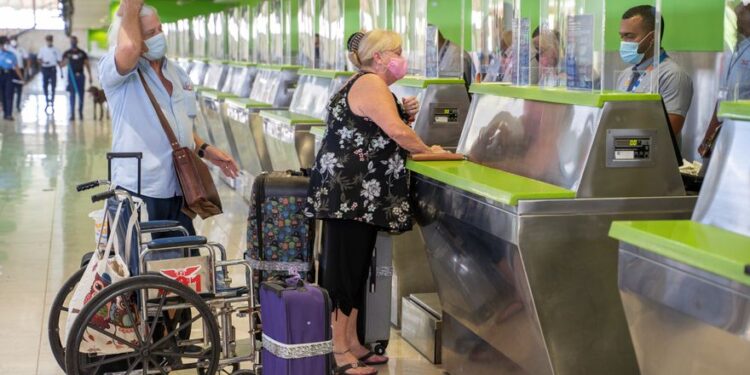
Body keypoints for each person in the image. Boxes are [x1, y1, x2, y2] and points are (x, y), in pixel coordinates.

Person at [306, 30, 446, 375]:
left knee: (355, 269)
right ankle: (339, 350)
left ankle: (352, 341)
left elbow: (379, 127)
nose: (402, 57)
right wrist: (430, 152)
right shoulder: (371, 83)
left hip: (358, 196)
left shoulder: (368, 84)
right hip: (351, 194)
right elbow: (396, 133)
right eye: (397, 51)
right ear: (379, 57)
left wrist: (403, 112)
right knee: (343, 271)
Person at [101, 0, 238, 240]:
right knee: (144, 267)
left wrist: (204, 148)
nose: (159, 36)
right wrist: (129, 8)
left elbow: (179, 123)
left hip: (179, 185)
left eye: (159, 29)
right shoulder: (118, 72)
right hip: (140, 186)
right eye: (150, 33)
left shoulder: (175, 71)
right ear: (134, 34)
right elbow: (129, 49)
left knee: (182, 261)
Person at [616, 5, 693, 138]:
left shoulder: (672, 75)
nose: (624, 42)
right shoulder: (625, 75)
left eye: (630, 36)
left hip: (655, 157)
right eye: (622, 36)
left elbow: (668, 133)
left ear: (652, 38)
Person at [699, 1, 750, 157]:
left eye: (744, 7)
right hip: (728, 135)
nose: (737, 10)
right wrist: (708, 138)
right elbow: (724, 96)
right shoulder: (736, 47)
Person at [62, 35, 92, 121]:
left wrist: (90, 76)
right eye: (71, 41)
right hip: (71, 77)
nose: (73, 43)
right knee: (72, 95)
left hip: (81, 76)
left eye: (74, 41)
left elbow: (87, 64)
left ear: (77, 41)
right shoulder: (67, 53)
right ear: (70, 42)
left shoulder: (82, 53)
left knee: (81, 94)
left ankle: (80, 112)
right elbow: (61, 65)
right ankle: (72, 114)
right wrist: (65, 62)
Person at [0, 36, 25, 121]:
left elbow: (16, 67)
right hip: (0, 75)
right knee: (2, 96)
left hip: (9, 75)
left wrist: (21, 78)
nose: (5, 46)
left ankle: (9, 114)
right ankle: (5, 112)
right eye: (4, 44)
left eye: (6, 44)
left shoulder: (11, 55)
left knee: (9, 94)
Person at [38, 35, 63, 110]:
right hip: (45, 68)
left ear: (52, 40)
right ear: (46, 40)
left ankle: (52, 101)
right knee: (45, 85)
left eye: (50, 40)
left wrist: (61, 71)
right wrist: (43, 62)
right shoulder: (42, 49)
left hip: (52, 69)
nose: (49, 41)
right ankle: (46, 100)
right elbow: (39, 59)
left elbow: (59, 61)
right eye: (48, 40)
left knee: (53, 86)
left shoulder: (56, 50)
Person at [8, 36, 28, 113]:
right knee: (10, 89)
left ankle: (18, 105)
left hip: (20, 69)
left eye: (15, 40)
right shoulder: (8, 50)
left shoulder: (21, 49)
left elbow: (27, 58)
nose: (14, 42)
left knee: (19, 89)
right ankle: (10, 105)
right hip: (11, 71)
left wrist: (27, 69)